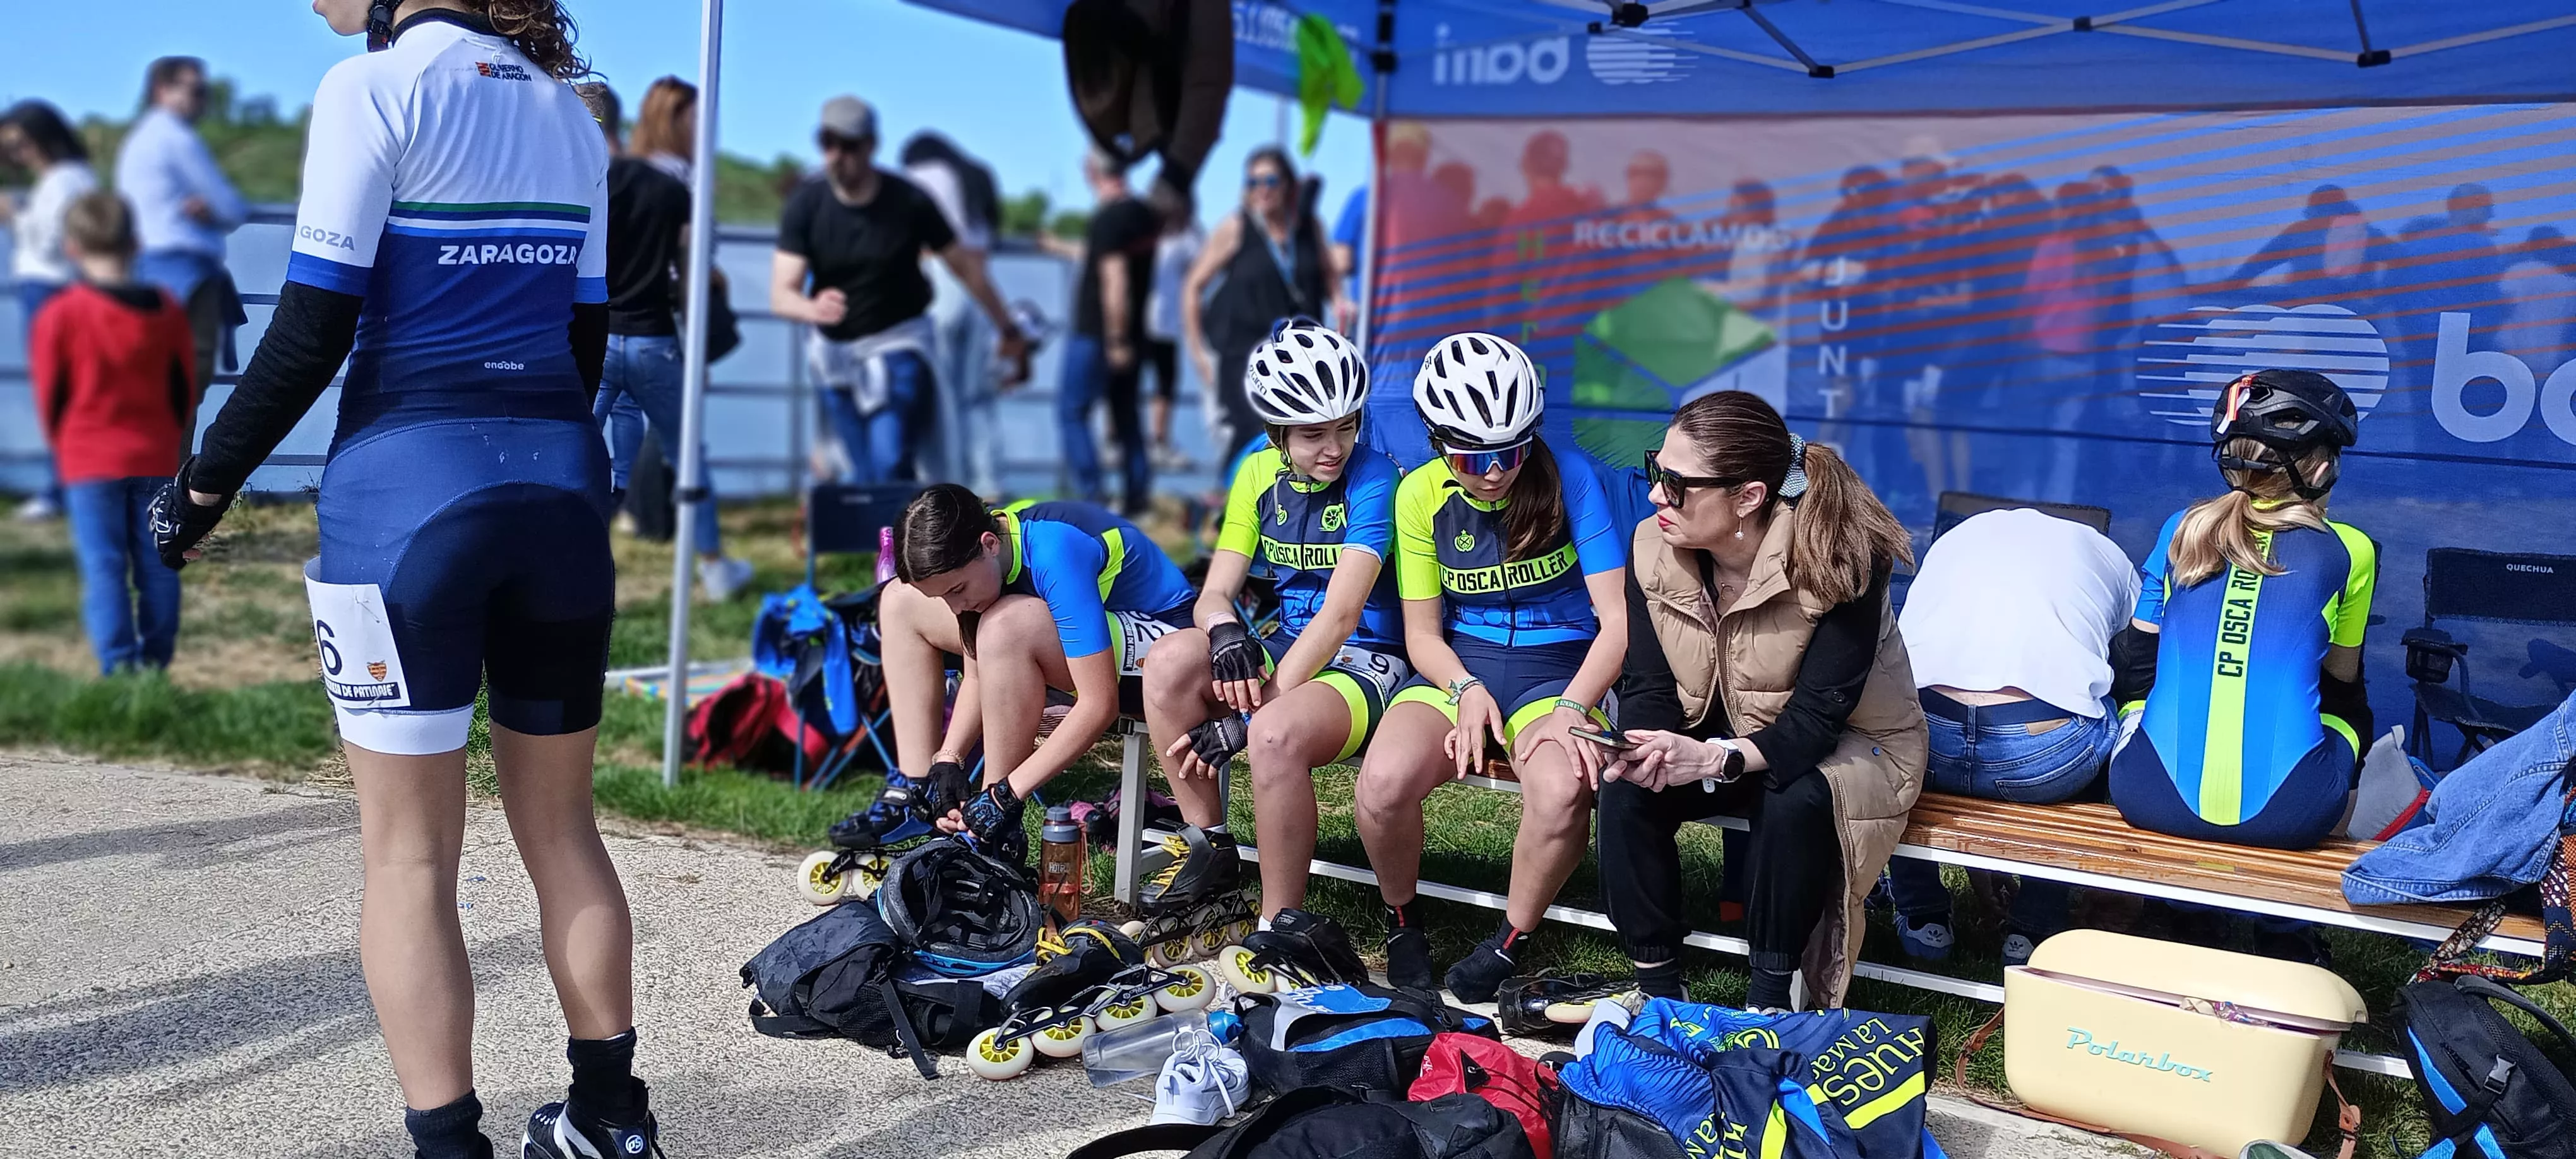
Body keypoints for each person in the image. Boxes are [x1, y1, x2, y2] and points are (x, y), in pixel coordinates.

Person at [146, 4, 658, 1156]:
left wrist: (201, 487)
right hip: (560, 492)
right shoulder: (571, 114)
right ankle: (613, 1121)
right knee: (565, 828)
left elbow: (310, 327)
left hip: (407, 500)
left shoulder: (370, 86)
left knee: (410, 853)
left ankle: (448, 1144)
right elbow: (582, 343)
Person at [1597, 391, 1924, 1013]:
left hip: (1858, 741)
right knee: (1627, 789)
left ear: (1748, 496)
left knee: (1794, 794)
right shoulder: (1651, 547)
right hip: (1719, 735)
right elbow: (1648, 685)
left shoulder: (1843, 553)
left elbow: (1817, 720)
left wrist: (1716, 758)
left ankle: (1768, 1002)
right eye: (1654, 470)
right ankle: (1661, 995)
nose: (1655, 495)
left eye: (1676, 483)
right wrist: (1646, 745)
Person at [1354, 333, 1628, 1004]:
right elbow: (1422, 634)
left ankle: (1509, 941)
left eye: (1511, 450)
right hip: (1461, 662)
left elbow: (1618, 624)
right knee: (1382, 785)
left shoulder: (1572, 475)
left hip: (1561, 669)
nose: (1494, 471)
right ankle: (1403, 923)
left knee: (1564, 792)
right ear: (1435, 437)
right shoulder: (1419, 494)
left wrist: (1572, 711)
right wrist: (1464, 687)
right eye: (1472, 455)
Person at [1143, 319, 1406, 918]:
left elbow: (1341, 616)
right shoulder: (1257, 471)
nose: (1335, 447)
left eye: (1346, 427)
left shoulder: (1375, 477)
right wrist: (1223, 628)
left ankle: (1278, 920)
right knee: (1169, 662)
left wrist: (1254, 709)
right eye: (1314, 434)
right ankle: (1209, 848)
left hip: (1369, 652)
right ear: (1276, 433)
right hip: (1290, 640)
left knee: (1272, 733)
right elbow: (1213, 593)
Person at [845, 485, 1198, 860]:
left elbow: (1100, 704)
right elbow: (979, 672)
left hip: (1169, 652)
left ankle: (993, 827)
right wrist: (948, 760)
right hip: (1081, 632)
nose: (954, 606)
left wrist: (1007, 794)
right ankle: (918, 792)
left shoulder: (1053, 550)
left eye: (958, 590)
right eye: (943, 597)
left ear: (989, 545)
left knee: (1005, 625)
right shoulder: (985, 553)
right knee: (900, 600)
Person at [2111, 369, 2373, 855]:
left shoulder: (2181, 528)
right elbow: (2343, 681)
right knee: (2352, 718)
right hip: (2294, 815)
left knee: (2138, 695)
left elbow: (2137, 657)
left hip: (2146, 795)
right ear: (2321, 471)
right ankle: (2290, 923)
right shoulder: (2351, 548)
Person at [1882, 508, 2139, 967]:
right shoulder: (2113, 559)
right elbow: (2130, 662)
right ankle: (2033, 931)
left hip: (1927, 742)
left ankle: (1923, 918)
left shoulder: (1952, 541)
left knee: (1889, 752)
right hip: (2044, 763)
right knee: (2108, 713)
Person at [769, 96, 1025, 484]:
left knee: (888, 455)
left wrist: (1007, 328)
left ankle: (905, 533)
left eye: (849, 145)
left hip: (898, 345)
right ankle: (894, 538)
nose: (837, 155)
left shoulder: (909, 200)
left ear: (872, 145)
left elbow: (966, 269)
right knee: (867, 468)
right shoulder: (806, 205)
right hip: (834, 356)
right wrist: (811, 309)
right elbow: (781, 295)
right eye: (828, 143)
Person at [575, 82, 754, 600]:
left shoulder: (596, 184)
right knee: (689, 459)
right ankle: (716, 568)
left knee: (573, 451)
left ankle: (567, 563)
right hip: (655, 342)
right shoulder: (674, 193)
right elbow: (690, 279)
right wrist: (698, 347)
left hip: (599, 340)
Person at [32, 192, 195, 674]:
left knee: (104, 567)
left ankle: (120, 669)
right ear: (137, 243)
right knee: (159, 565)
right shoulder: (166, 312)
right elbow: (183, 388)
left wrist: (61, 448)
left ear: (72, 249)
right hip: (155, 456)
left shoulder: (61, 315)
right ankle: (157, 662)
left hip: (88, 459)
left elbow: (50, 396)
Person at [1183, 148, 1344, 467]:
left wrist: (1341, 303)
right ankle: (1232, 508)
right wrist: (1199, 353)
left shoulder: (1308, 226)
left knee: (1299, 436)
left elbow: (1328, 275)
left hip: (1298, 356)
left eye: (1271, 180)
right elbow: (1193, 286)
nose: (1263, 189)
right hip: (1242, 356)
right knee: (1250, 437)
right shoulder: (1237, 226)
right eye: (1254, 182)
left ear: (1288, 184)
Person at [115, 55, 247, 409]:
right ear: (162, 90)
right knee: (183, 382)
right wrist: (213, 212)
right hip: (185, 272)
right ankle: (170, 467)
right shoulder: (175, 138)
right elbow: (232, 207)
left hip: (148, 269)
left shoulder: (141, 139)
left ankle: (152, 465)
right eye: (195, 90)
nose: (201, 99)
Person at [0, 100, 97, 523]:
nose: (19, 155)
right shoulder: (67, 179)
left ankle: (63, 488)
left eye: (21, 144)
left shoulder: (65, 181)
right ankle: (65, 485)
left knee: (59, 393)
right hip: (51, 290)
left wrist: (14, 218)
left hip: (53, 290)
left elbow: (55, 245)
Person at [899, 131, 1010, 497]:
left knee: (938, 399)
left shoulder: (926, 174)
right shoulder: (977, 177)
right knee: (976, 398)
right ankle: (988, 483)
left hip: (937, 281)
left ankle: (943, 489)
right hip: (978, 290)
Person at [1060, 149, 1160, 516]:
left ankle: (1093, 498)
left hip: (1098, 334)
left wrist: (1114, 339)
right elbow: (1101, 255)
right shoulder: (1143, 215)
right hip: (1134, 335)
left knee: (1072, 411)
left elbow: (1114, 281)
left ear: (1092, 171)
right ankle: (1138, 498)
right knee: (1127, 415)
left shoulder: (1108, 219)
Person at [1143, 213, 1203, 473]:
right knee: (1158, 383)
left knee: (1164, 383)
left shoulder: (1180, 237)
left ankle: (1156, 441)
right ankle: (1149, 442)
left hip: (1161, 324)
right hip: (1152, 322)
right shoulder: (1178, 238)